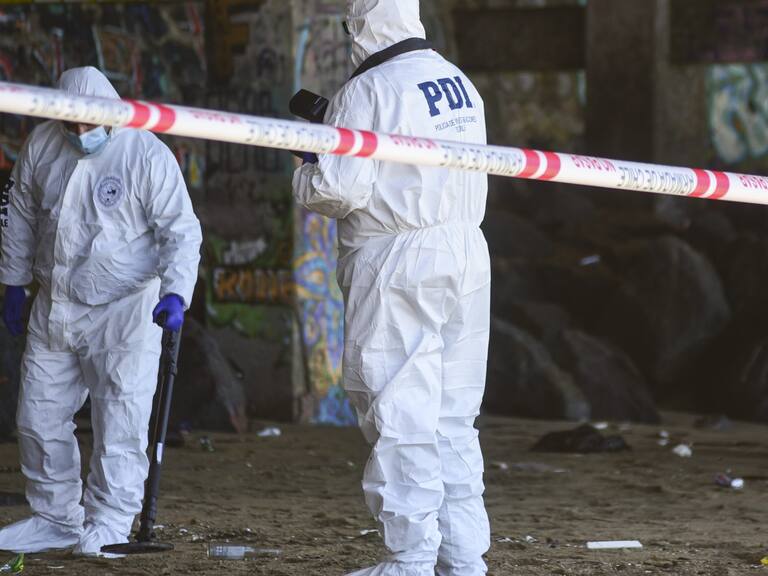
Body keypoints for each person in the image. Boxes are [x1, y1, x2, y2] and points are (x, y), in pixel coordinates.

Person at [293, 1, 491, 575]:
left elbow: (335, 193)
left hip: (397, 256)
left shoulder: (366, 91)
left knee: (399, 408)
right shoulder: (458, 81)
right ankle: (463, 557)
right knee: (452, 415)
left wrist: (309, 158)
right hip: (466, 250)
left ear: (358, 24)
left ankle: (409, 558)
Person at [0, 66, 202, 556]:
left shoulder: (145, 153)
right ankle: (54, 517)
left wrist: (175, 293)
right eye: (72, 126)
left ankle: (110, 520)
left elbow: (180, 229)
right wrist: (13, 281)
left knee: (121, 415)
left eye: (90, 126)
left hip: (126, 308)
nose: (81, 134)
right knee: (37, 415)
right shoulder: (42, 144)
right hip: (57, 302)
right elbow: (22, 213)